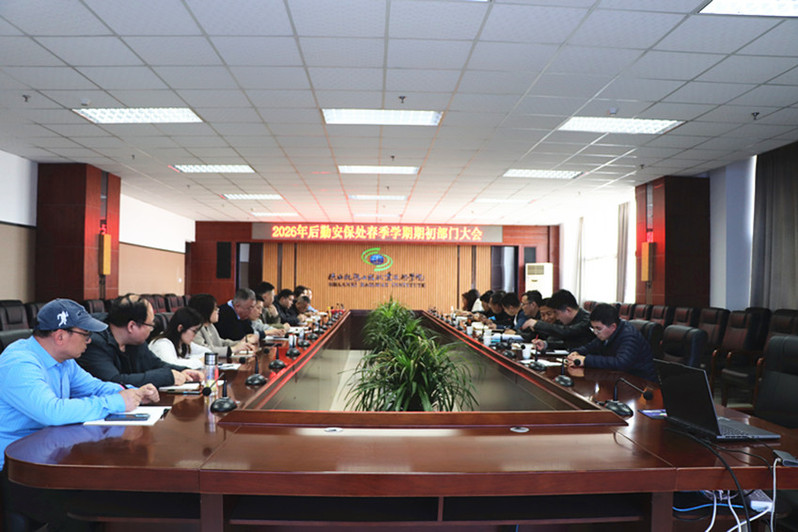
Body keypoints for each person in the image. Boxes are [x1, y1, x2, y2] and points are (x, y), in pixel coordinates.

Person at [0, 299, 159, 531]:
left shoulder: (64, 361)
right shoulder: (20, 362)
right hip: (18, 470)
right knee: (84, 513)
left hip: (52, 458)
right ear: (60, 336)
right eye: (85, 334)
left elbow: (94, 386)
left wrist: (132, 392)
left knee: (112, 495)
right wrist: (116, 402)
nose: (90, 340)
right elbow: (51, 412)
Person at [78, 294, 203, 388]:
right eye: (150, 325)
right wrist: (167, 377)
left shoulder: (135, 341)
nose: (151, 329)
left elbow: (154, 364)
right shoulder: (94, 342)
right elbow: (114, 381)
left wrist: (182, 371)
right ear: (131, 326)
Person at [567, 303, 658, 381]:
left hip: (641, 383)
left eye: (598, 328)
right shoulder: (607, 333)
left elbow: (620, 363)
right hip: (619, 379)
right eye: (593, 328)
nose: (595, 332)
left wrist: (586, 360)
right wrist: (577, 352)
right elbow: (590, 347)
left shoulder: (629, 336)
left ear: (613, 327)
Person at [522, 289, 593, 351]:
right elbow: (568, 344)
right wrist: (546, 344)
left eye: (556, 313)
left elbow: (566, 331)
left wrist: (537, 324)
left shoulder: (588, 320)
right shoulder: (568, 320)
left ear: (568, 310)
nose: (557, 317)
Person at [188, 293, 254, 358]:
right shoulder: (194, 329)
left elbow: (220, 342)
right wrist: (233, 349)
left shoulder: (210, 326)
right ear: (206, 311)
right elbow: (205, 350)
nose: (218, 310)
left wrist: (240, 343)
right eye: (215, 309)